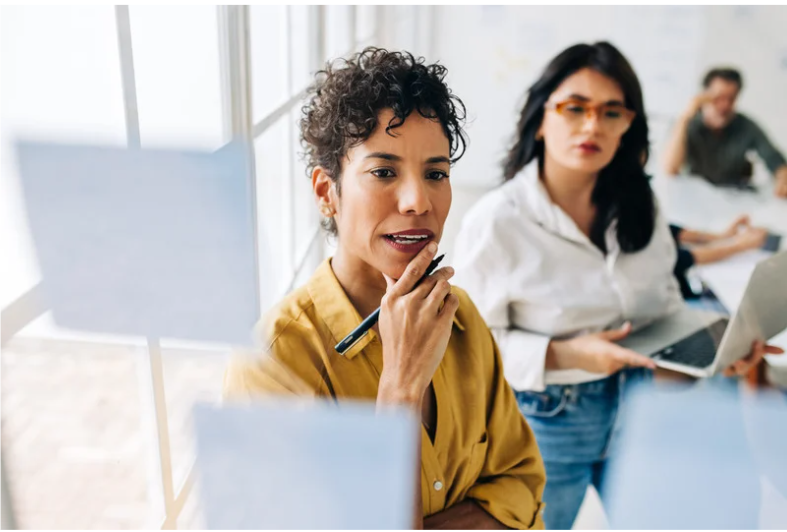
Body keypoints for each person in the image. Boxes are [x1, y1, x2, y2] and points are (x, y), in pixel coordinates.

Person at [452, 42, 783, 529]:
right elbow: (469, 352)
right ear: (541, 118)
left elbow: (663, 311)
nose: (593, 126)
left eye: (611, 112)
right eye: (575, 108)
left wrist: (716, 353)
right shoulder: (497, 222)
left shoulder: (639, 205)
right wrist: (569, 354)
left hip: (644, 408)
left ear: (629, 124)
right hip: (543, 421)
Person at [223, 48, 546, 529]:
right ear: (325, 192)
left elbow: (523, 483)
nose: (419, 201)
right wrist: (400, 387)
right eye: (383, 172)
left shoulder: (463, 320)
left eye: (436, 173)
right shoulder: (273, 365)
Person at [662, 67, 787, 197]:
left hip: (732, 198)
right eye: (718, 98)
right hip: (693, 199)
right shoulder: (685, 124)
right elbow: (670, 169)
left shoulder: (745, 125)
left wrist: (783, 178)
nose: (724, 105)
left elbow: (774, 158)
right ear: (704, 96)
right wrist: (685, 118)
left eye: (731, 99)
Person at [670, 214, 769, 301]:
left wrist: (722, 236)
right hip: (679, 298)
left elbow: (670, 231)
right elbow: (682, 258)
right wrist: (740, 245)